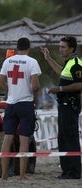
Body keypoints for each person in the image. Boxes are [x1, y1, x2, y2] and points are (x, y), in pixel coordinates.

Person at [0, 37, 41, 180]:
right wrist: (30, 88)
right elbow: (35, 87)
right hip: (25, 104)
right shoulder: (32, 62)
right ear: (28, 48)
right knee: (23, 140)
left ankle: (4, 174)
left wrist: (11, 90)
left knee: (7, 138)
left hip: (11, 104)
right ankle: (22, 175)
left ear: (17, 48)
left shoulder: (7, 61)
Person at [40, 36, 82, 179]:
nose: (60, 49)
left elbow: (80, 85)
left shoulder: (76, 63)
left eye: (63, 47)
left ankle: (74, 171)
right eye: (60, 46)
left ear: (71, 49)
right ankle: (66, 171)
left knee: (70, 137)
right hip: (63, 104)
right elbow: (61, 72)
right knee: (63, 138)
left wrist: (60, 89)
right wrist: (49, 59)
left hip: (70, 104)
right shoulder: (68, 63)